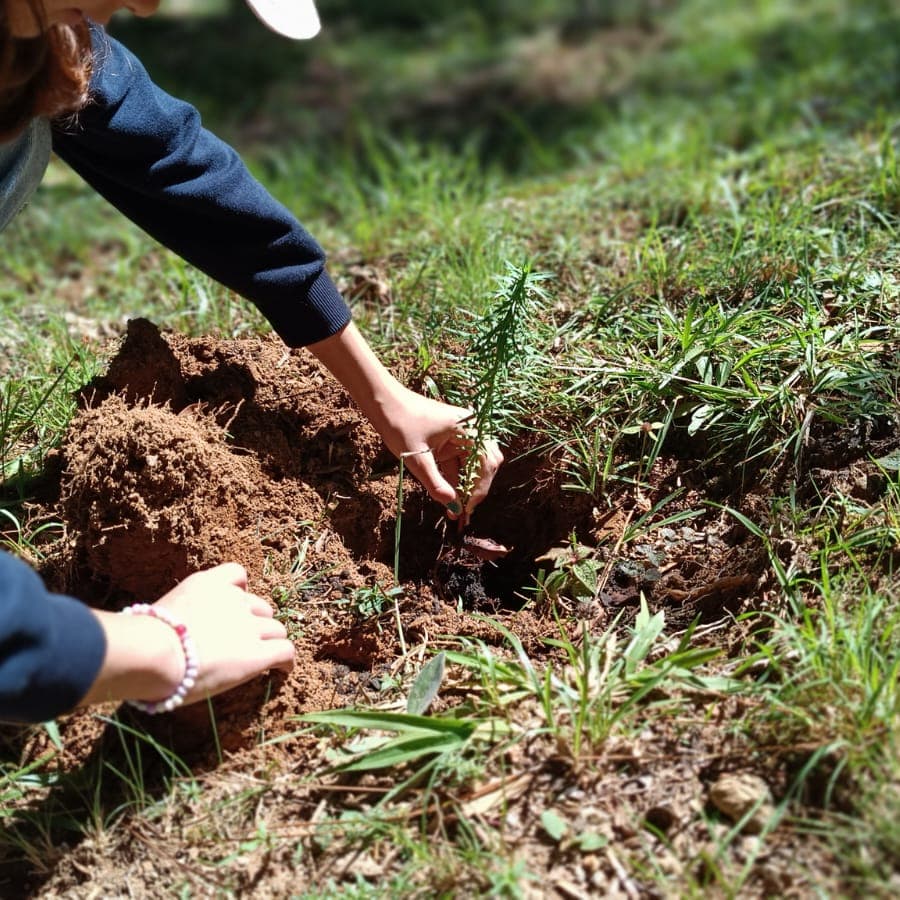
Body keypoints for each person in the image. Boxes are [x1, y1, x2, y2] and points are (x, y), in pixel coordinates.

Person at [0, 0, 503, 723]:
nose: (146, 6)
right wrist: (154, 648)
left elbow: (179, 167)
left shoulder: (48, 30)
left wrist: (384, 395)